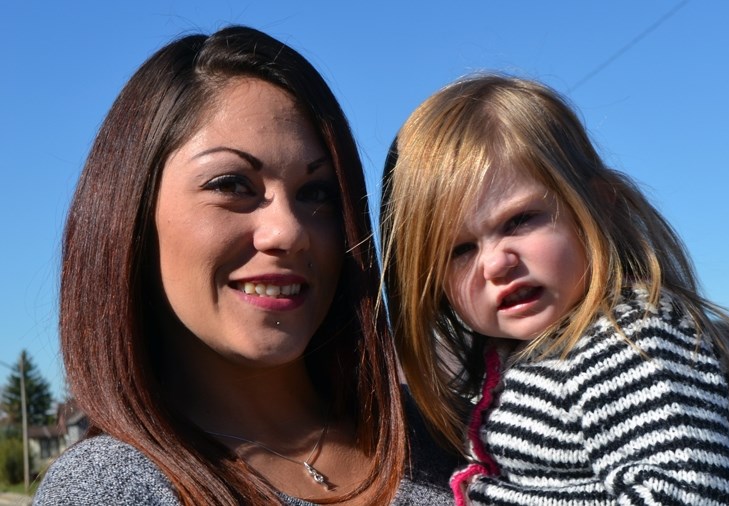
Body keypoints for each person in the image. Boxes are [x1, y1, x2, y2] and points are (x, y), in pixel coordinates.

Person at [34, 26, 457, 505]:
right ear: (132, 216)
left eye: (316, 193)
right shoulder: (113, 489)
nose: (288, 231)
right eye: (233, 185)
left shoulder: (447, 438)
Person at [380, 74, 729, 505]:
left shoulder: (630, 337)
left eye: (519, 220)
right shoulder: (525, 355)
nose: (495, 263)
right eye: (460, 250)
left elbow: (691, 496)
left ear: (601, 207)